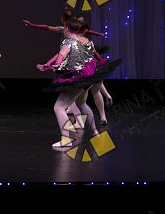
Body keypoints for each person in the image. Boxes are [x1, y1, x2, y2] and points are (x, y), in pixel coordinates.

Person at [38, 16, 121, 148]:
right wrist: (51, 65)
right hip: (87, 77)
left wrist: (53, 65)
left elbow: (61, 55)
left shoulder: (68, 42)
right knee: (82, 103)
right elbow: (86, 56)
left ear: (67, 28)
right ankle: (94, 131)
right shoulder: (82, 41)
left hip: (77, 79)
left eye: (64, 28)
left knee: (59, 107)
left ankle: (66, 139)